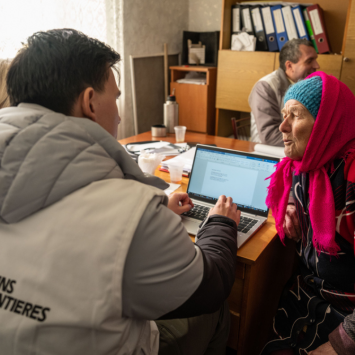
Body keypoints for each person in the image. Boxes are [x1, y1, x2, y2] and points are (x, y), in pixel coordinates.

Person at [0, 29, 241, 355]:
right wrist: (220, 225)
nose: (120, 113)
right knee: (216, 309)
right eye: (115, 98)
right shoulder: (129, 208)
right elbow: (210, 286)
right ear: (89, 103)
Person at [262, 71, 355, 354]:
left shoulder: (351, 180)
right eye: (283, 114)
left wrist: (341, 344)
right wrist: (291, 204)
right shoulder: (306, 164)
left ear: (326, 123)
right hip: (310, 292)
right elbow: (294, 183)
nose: (282, 126)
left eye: (296, 115)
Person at [248, 39, 319, 146]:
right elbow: (270, 136)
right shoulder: (265, 87)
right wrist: (314, 143)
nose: (316, 66)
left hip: (297, 148)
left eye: (315, 60)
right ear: (289, 66)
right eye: (309, 61)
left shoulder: (308, 86)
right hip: (269, 153)